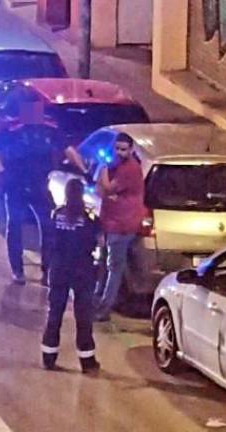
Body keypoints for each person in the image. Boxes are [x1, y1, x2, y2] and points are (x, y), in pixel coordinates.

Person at [0, 91, 61, 285]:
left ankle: (47, 271)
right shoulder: (12, 129)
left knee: (48, 226)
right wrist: (2, 173)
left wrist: (84, 169)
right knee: (15, 226)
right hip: (16, 185)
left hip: (39, 185)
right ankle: (17, 271)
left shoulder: (48, 128)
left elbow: (66, 148)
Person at [41, 179, 101, 373]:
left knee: (54, 313)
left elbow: (48, 242)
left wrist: (47, 267)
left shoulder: (57, 215)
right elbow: (97, 241)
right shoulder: (88, 218)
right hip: (81, 270)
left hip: (59, 269)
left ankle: (49, 357)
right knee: (83, 316)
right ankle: (87, 361)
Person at [93, 133, 145, 322]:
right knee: (104, 265)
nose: (120, 152)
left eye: (124, 149)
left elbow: (106, 188)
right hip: (110, 221)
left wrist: (103, 172)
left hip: (122, 225)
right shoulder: (118, 166)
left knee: (114, 268)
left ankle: (104, 308)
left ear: (131, 149)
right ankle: (97, 300)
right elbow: (100, 191)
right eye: (117, 148)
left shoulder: (129, 169)